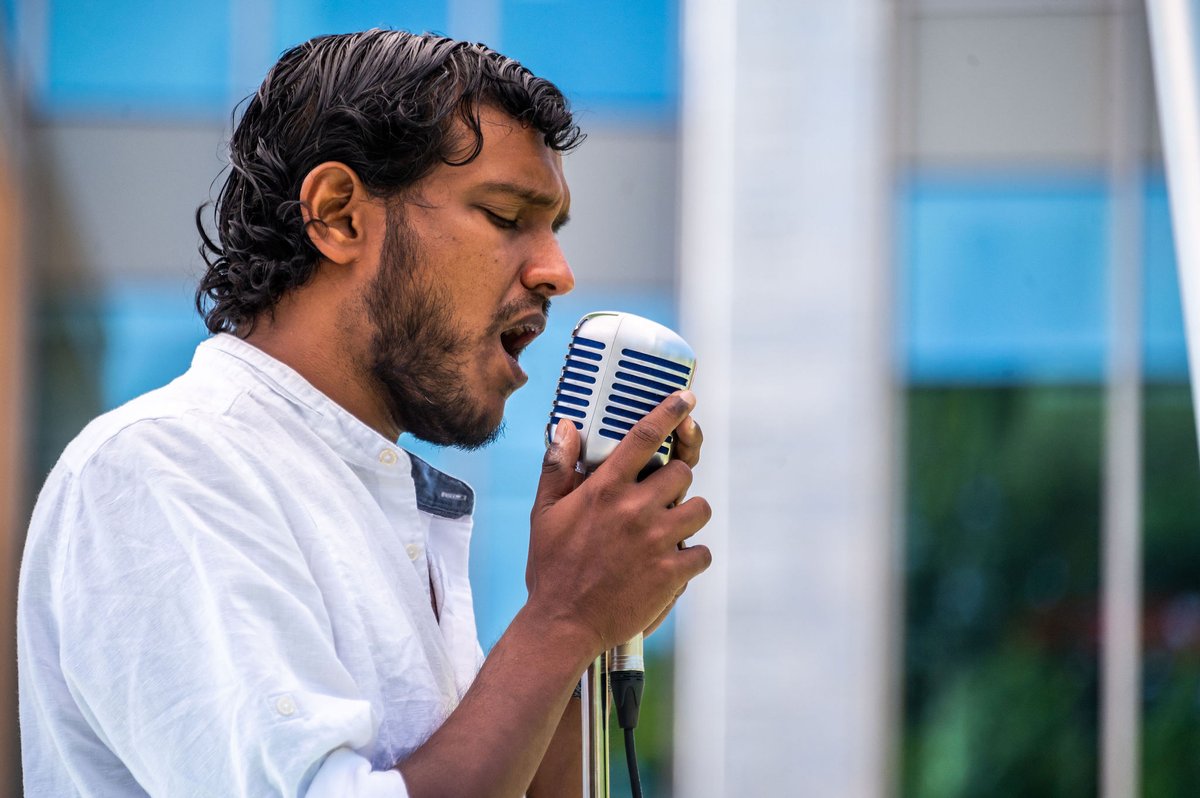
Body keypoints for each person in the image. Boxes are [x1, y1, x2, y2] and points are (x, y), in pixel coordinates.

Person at [17, 29, 711, 798]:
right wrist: (562, 620)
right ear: (340, 215)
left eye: (553, 230)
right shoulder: (162, 465)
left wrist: (587, 617)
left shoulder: (385, 505)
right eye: (507, 215)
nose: (557, 272)